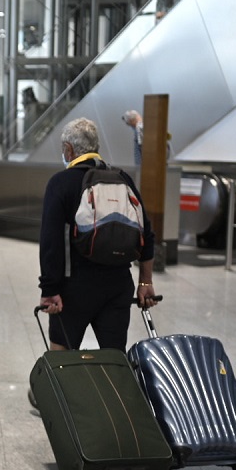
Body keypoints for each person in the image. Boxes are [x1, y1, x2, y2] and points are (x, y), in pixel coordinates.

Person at [38, 117, 158, 352]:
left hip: (73, 290)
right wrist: (145, 282)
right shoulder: (123, 179)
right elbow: (147, 233)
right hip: (117, 286)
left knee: (62, 361)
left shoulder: (60, 183)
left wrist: (50, 290)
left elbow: (51, 242)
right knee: (114, 360)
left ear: (68, 149)